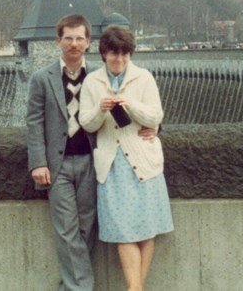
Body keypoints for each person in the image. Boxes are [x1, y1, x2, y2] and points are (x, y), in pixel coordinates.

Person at [26, 14, 157, 291]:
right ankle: (80, 288)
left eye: (80, 38)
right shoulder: (42, 78)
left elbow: (140, 106)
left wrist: (157, 128)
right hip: (57, 164)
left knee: (87, 227)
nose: (74, 44)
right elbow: (34, 121)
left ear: (88, 42)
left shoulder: (99, 77)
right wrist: (38, 162)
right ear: (58, 40)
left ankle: (73, 284)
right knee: (66, 229)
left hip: (93, 160)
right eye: (68, 38)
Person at [79, 25, 173, 291]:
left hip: (144, 162)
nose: (119, 60)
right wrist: (101, 109)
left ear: (130, 55)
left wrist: (131, 105)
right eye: (113, 54)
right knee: (124, 231)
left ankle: (134, 289)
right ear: (104, 54)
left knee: (146, 229)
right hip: (112, 165)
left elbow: (155, 117)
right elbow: (87, 123)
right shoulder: (92, 82)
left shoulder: (143, 78)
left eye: (124, 54)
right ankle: (136, 288)